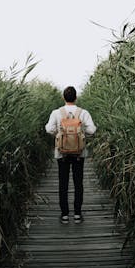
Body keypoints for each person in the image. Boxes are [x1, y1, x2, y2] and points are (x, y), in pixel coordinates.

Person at [45, 86, 96, 224]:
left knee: (63, 183)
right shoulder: (83, 112)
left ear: (63, 98)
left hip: (61, 153)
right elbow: (92, 130)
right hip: (79, 153)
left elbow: (49, 129)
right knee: (78, 183)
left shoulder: (57, 112)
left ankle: (65, 215)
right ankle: (78, 215)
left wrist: (59, 132)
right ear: (76, 98)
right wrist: (80, 129)